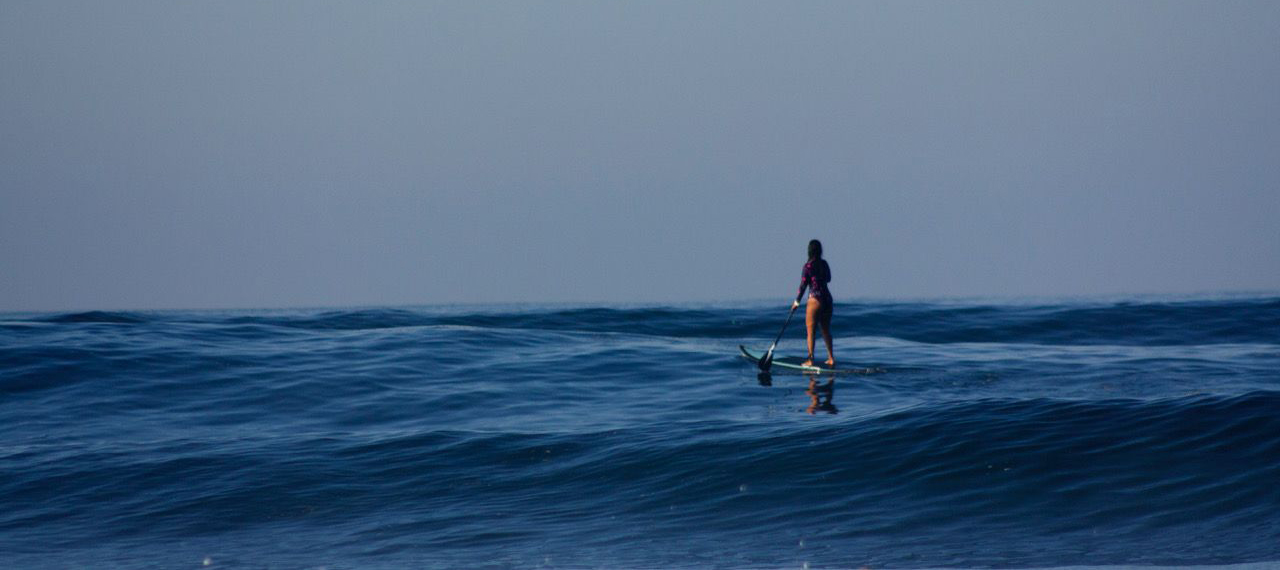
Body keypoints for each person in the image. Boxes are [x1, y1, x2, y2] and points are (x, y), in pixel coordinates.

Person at [792, 239, 834, 367]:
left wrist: (796, 302)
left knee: (811, 332)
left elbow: (803, 285)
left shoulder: (808, 266)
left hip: (815, 299)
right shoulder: (824, 264)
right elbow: (828, 279)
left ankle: (810, 360)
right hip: (827, 299)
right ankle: (831, 358)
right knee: (825, 330)